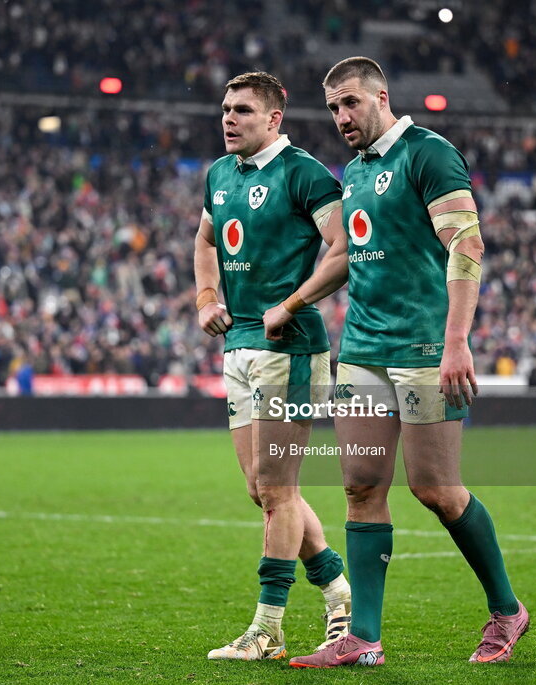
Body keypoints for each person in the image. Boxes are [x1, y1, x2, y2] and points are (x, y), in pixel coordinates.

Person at [289, 57, 528, 669]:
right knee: (361, 486)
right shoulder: (356, 171)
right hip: (364, 350)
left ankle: (507, 611)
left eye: (351, 103)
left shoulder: (429, 154)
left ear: (381, 97)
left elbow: (468, 247)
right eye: (333, 108)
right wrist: (295, 301)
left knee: (436, 489)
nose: (342, 117)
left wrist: (456, 342)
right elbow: (352, 256)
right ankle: (363, 637)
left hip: (424, 348)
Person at [194, 71, 352, 661]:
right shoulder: (219, 174)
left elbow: (344, 251)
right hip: (237, 346)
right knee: (261, 490)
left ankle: (267, 628)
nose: (229, 119)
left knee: (279, 490)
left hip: (290, 348)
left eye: (242, 111)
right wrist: (207, 298)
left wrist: (291, 304)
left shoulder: (306, 175)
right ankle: (338, 592)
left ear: (274, 119)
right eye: (225, 110)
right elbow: (206, 241)